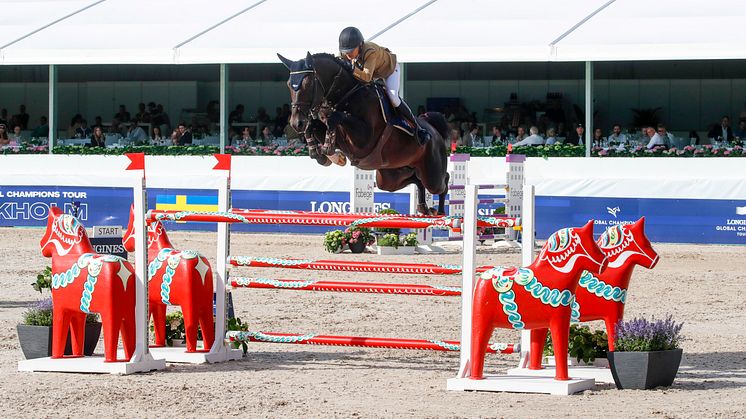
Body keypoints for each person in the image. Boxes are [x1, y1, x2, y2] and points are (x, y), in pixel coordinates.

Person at [338, 26, 430, 144]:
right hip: (372, 72)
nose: (348, 55)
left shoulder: (370, 52)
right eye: (346, 52)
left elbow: (366, 77)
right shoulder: (345, 52)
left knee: (393, 97)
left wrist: (351, 68)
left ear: (360, 45)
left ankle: (418, 128)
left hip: (389, 70)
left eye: (351, 51)